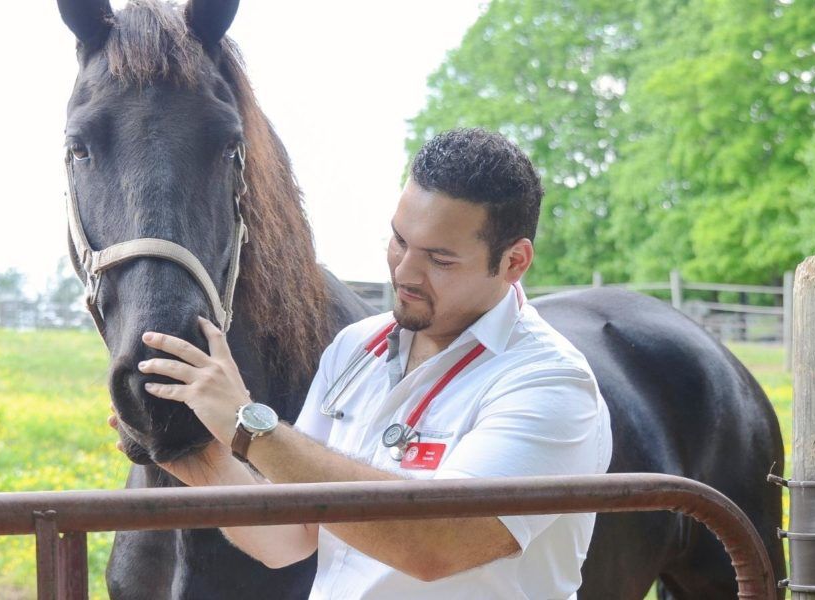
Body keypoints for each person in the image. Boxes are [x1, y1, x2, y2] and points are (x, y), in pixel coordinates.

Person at [124, 128, 613, 599]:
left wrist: (246, 424)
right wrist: (185, 453)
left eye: (440, 260)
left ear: (514, 261)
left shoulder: (551, 382)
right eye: (399, 240)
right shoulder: (355, 347)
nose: (404, 272)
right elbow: (290, 537)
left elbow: (436, 544)